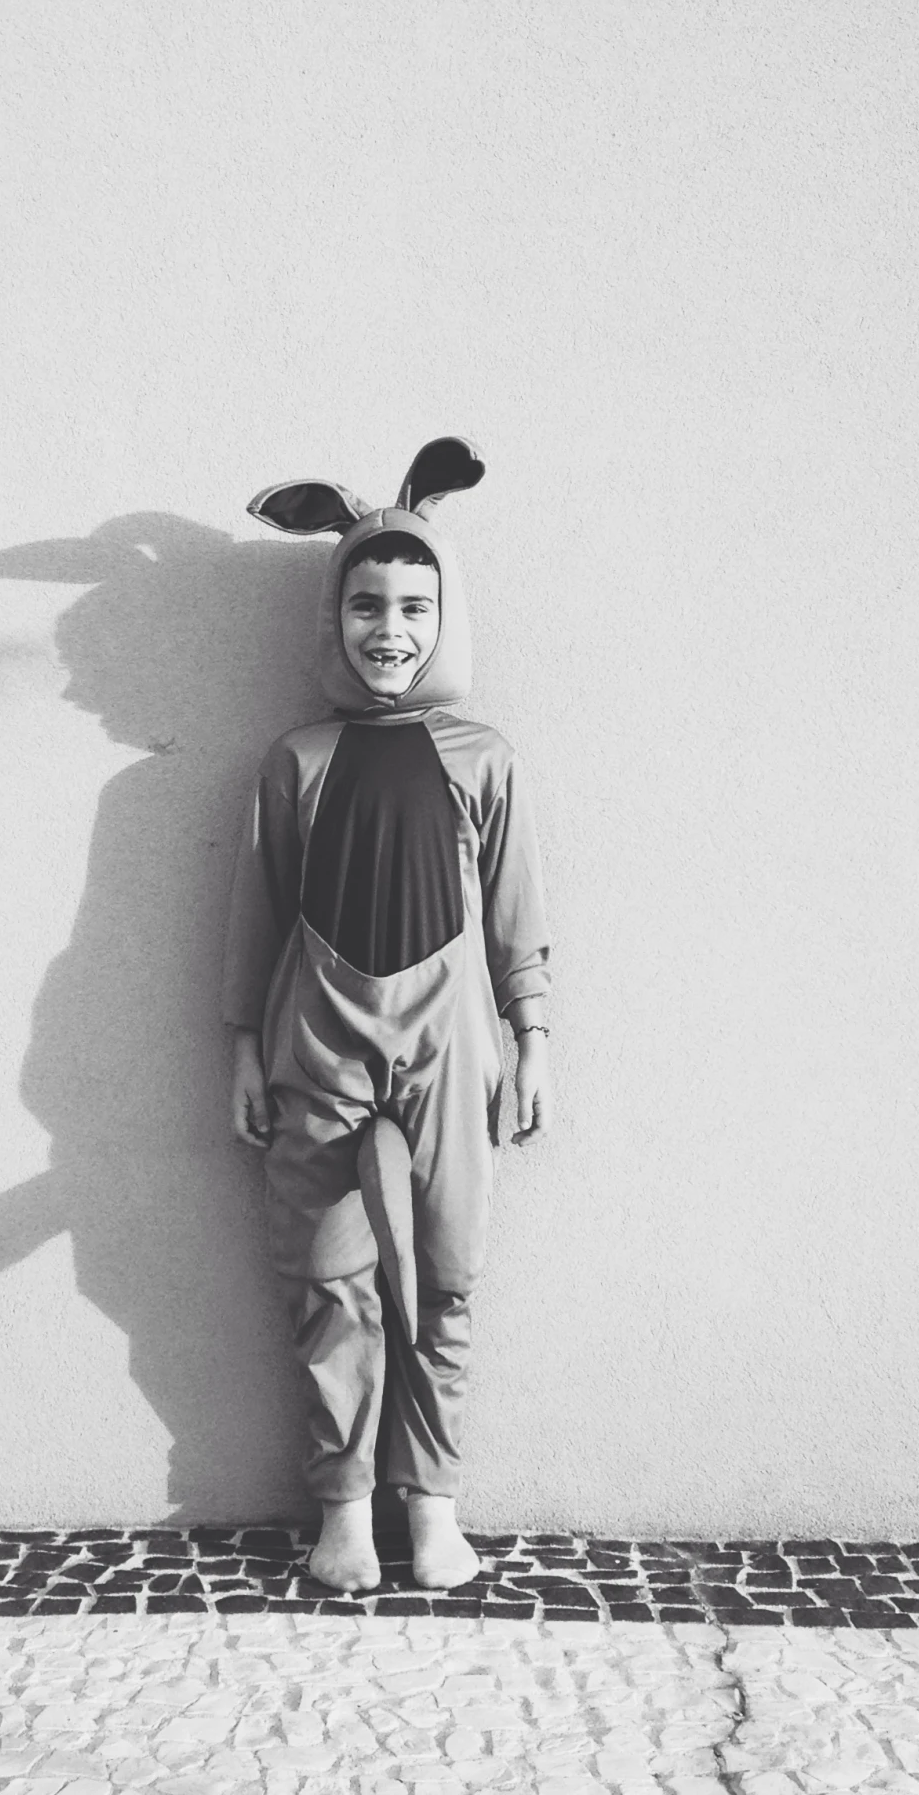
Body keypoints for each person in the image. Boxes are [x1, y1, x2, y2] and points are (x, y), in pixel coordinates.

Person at [222, 438, 552, 1594]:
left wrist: (533, 1039)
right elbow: (257, 912)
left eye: (416, 605)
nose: (391, 629)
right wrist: (245, 1050)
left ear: (444, 616)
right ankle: (345, 1506)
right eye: (367, 604)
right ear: (336, 617)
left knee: (447, 1277)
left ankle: (435, 1506)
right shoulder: (296, 761)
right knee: (330, 1281)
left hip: (453, 1046)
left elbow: (516, 911)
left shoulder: (482, 758)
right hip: (319, 1045)